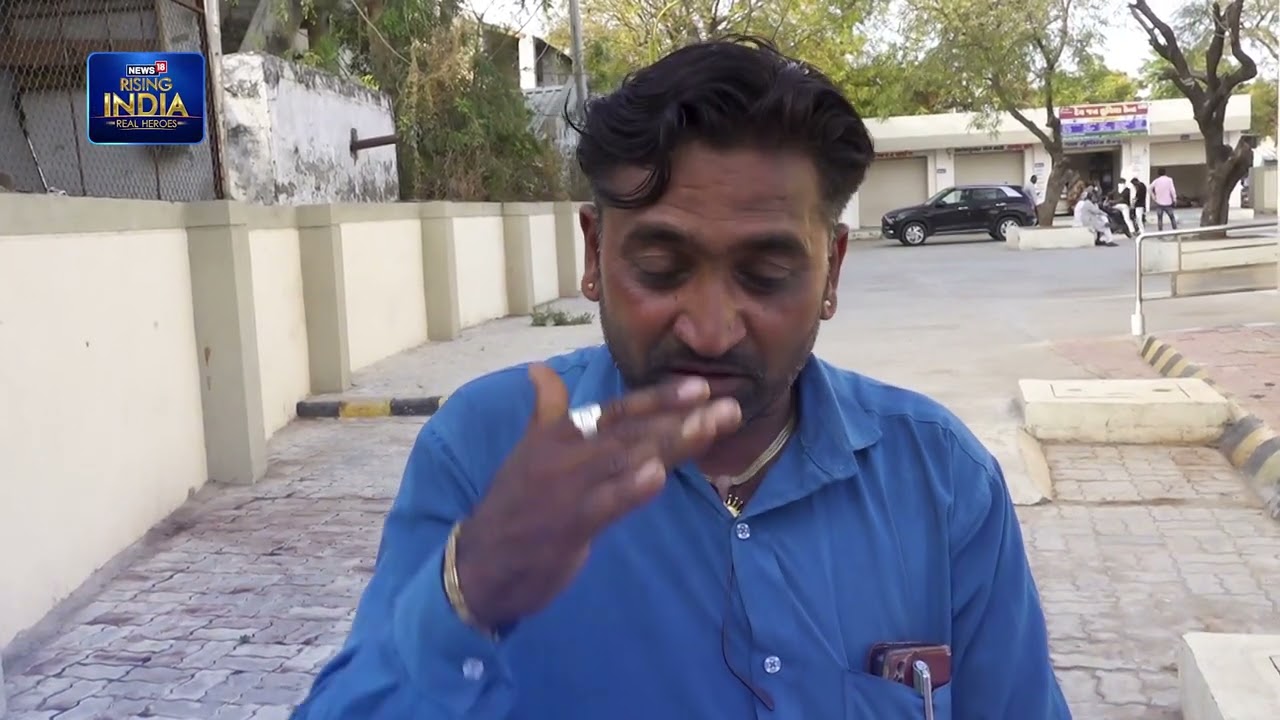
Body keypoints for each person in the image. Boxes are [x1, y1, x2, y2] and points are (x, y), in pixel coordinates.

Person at [291, 36, 1071, 720]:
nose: (709, 328)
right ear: (594, 254)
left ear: (832, 270)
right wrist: (468, 593)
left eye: (766, 274)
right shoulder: (484, 452)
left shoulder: (941, 481)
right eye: (662, 268)